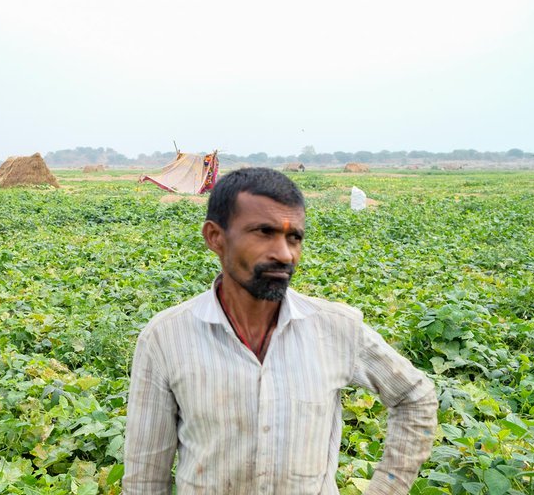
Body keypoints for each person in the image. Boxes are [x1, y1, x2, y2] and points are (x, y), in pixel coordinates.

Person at [123, 168, 437, 495]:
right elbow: (144, 479)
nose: (284, 254)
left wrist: (387, 488)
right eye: (264, 232)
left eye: (294, 237)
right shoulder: (165, 338)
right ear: (215, 237)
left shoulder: (337, 329)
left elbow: (415, 397)